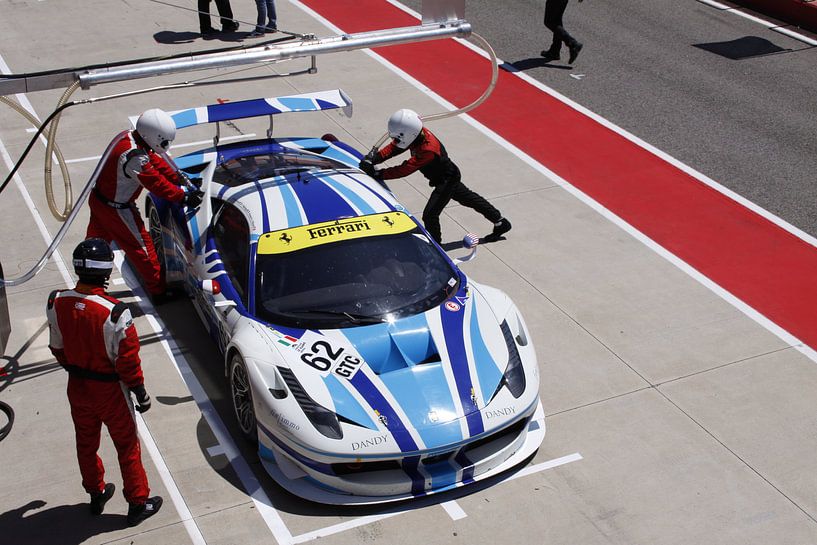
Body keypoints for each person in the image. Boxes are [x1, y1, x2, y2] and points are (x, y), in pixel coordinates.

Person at [46, 239, 163, 527]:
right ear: (106, 270)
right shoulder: (115, 312)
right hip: (110, 391)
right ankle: (137, 502)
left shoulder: (56, 301)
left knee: (85, 442)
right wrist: (140, 392)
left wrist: (76, 369)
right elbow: (128, 362)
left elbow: (57, 347)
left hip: (77, 385)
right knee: (127, 445)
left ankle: (96, 492)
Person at [86, 108, 203, 303]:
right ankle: (159, 292)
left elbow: (155, 161)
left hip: (100, 201)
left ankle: (87, 283)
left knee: (93, 245)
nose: (165, 146)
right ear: (153, 136)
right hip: (117, 210)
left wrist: (178, 177)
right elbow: (155, 182)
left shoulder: (129, 139)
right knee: (144, 250)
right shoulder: (134, 158)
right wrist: (183, 197)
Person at [360, 109, 512, 244]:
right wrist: (375, 158)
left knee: (430, 215)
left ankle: (436, 247)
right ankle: (501, 222)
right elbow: (396, 147)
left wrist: (378, 173)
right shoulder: (416, 133)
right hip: (447, 175)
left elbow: (405, 169)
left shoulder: (428, 149)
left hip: (446, 180)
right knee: (469, 199)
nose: (396, 140)